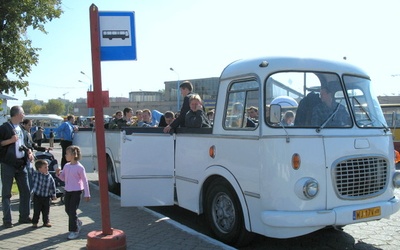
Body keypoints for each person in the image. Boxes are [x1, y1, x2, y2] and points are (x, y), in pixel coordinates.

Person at [0, 106, 34, 228]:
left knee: (26, 190)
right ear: (17, 114)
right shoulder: (4, 128)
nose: (24, 115)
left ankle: (24, 216)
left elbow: (26, 145)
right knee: (6, 193)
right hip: (8, 164)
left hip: (21, 164)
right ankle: (7, 220)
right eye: (23, 113)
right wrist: (10, 140)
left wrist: (29, 152)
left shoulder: (22, 130)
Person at [56, 145, 90, 240]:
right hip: (68, 190)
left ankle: (74, 230)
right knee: (67, 209)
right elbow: (63, 177)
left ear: (74, 155)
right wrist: (58, 173)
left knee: (72, 211)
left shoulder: (80, 167)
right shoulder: (66, 166)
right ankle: (77, 222)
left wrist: (87, 194)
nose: (65, 155)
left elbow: (85, 181)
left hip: (77, 191)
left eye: (67, 153)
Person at [30, 159, 57, 228]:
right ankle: (35, 222)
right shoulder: (36, 174)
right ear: (39, 169)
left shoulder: (49, 176)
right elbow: (30, 170)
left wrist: (53, 195)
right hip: (37, 196)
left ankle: (46, 222)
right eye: (45, 167)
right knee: (37, 210)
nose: (47, 168)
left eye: (47, 167)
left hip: (46, 196)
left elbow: (52, 186)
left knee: (46, 211)